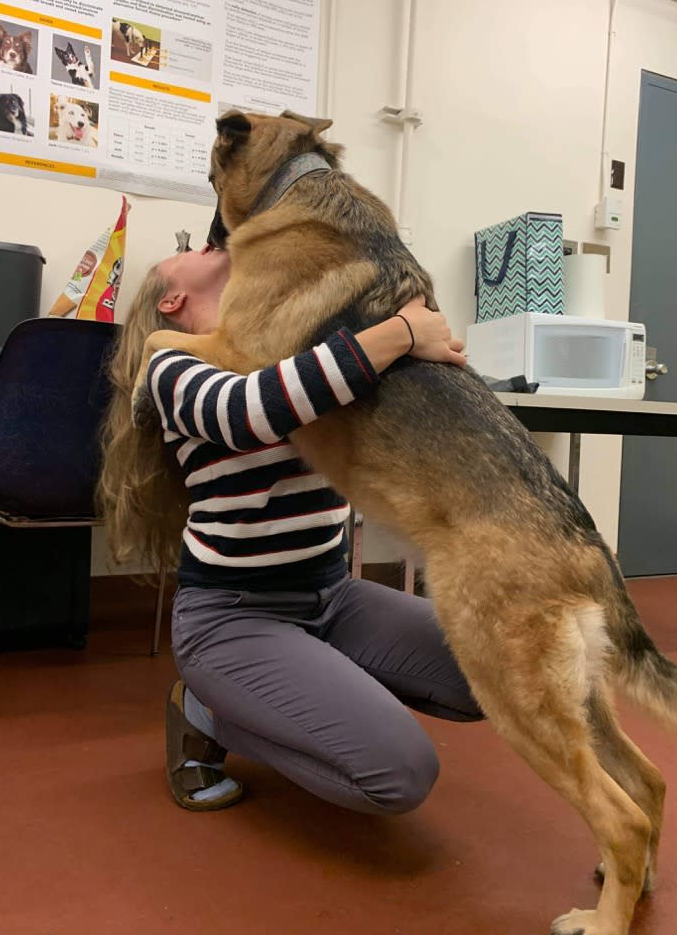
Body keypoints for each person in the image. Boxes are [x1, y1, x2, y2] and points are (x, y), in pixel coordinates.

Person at [99, 242, 484, 815]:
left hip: (334, 596)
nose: (208, 241)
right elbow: (251, 412)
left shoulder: (294, 343)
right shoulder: (169, 368)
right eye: (183, 251)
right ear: (172, 298)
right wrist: (403, 333)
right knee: (400, 776)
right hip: (232, 616)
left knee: (496, 673)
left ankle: (307, 685)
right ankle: (206, 712)